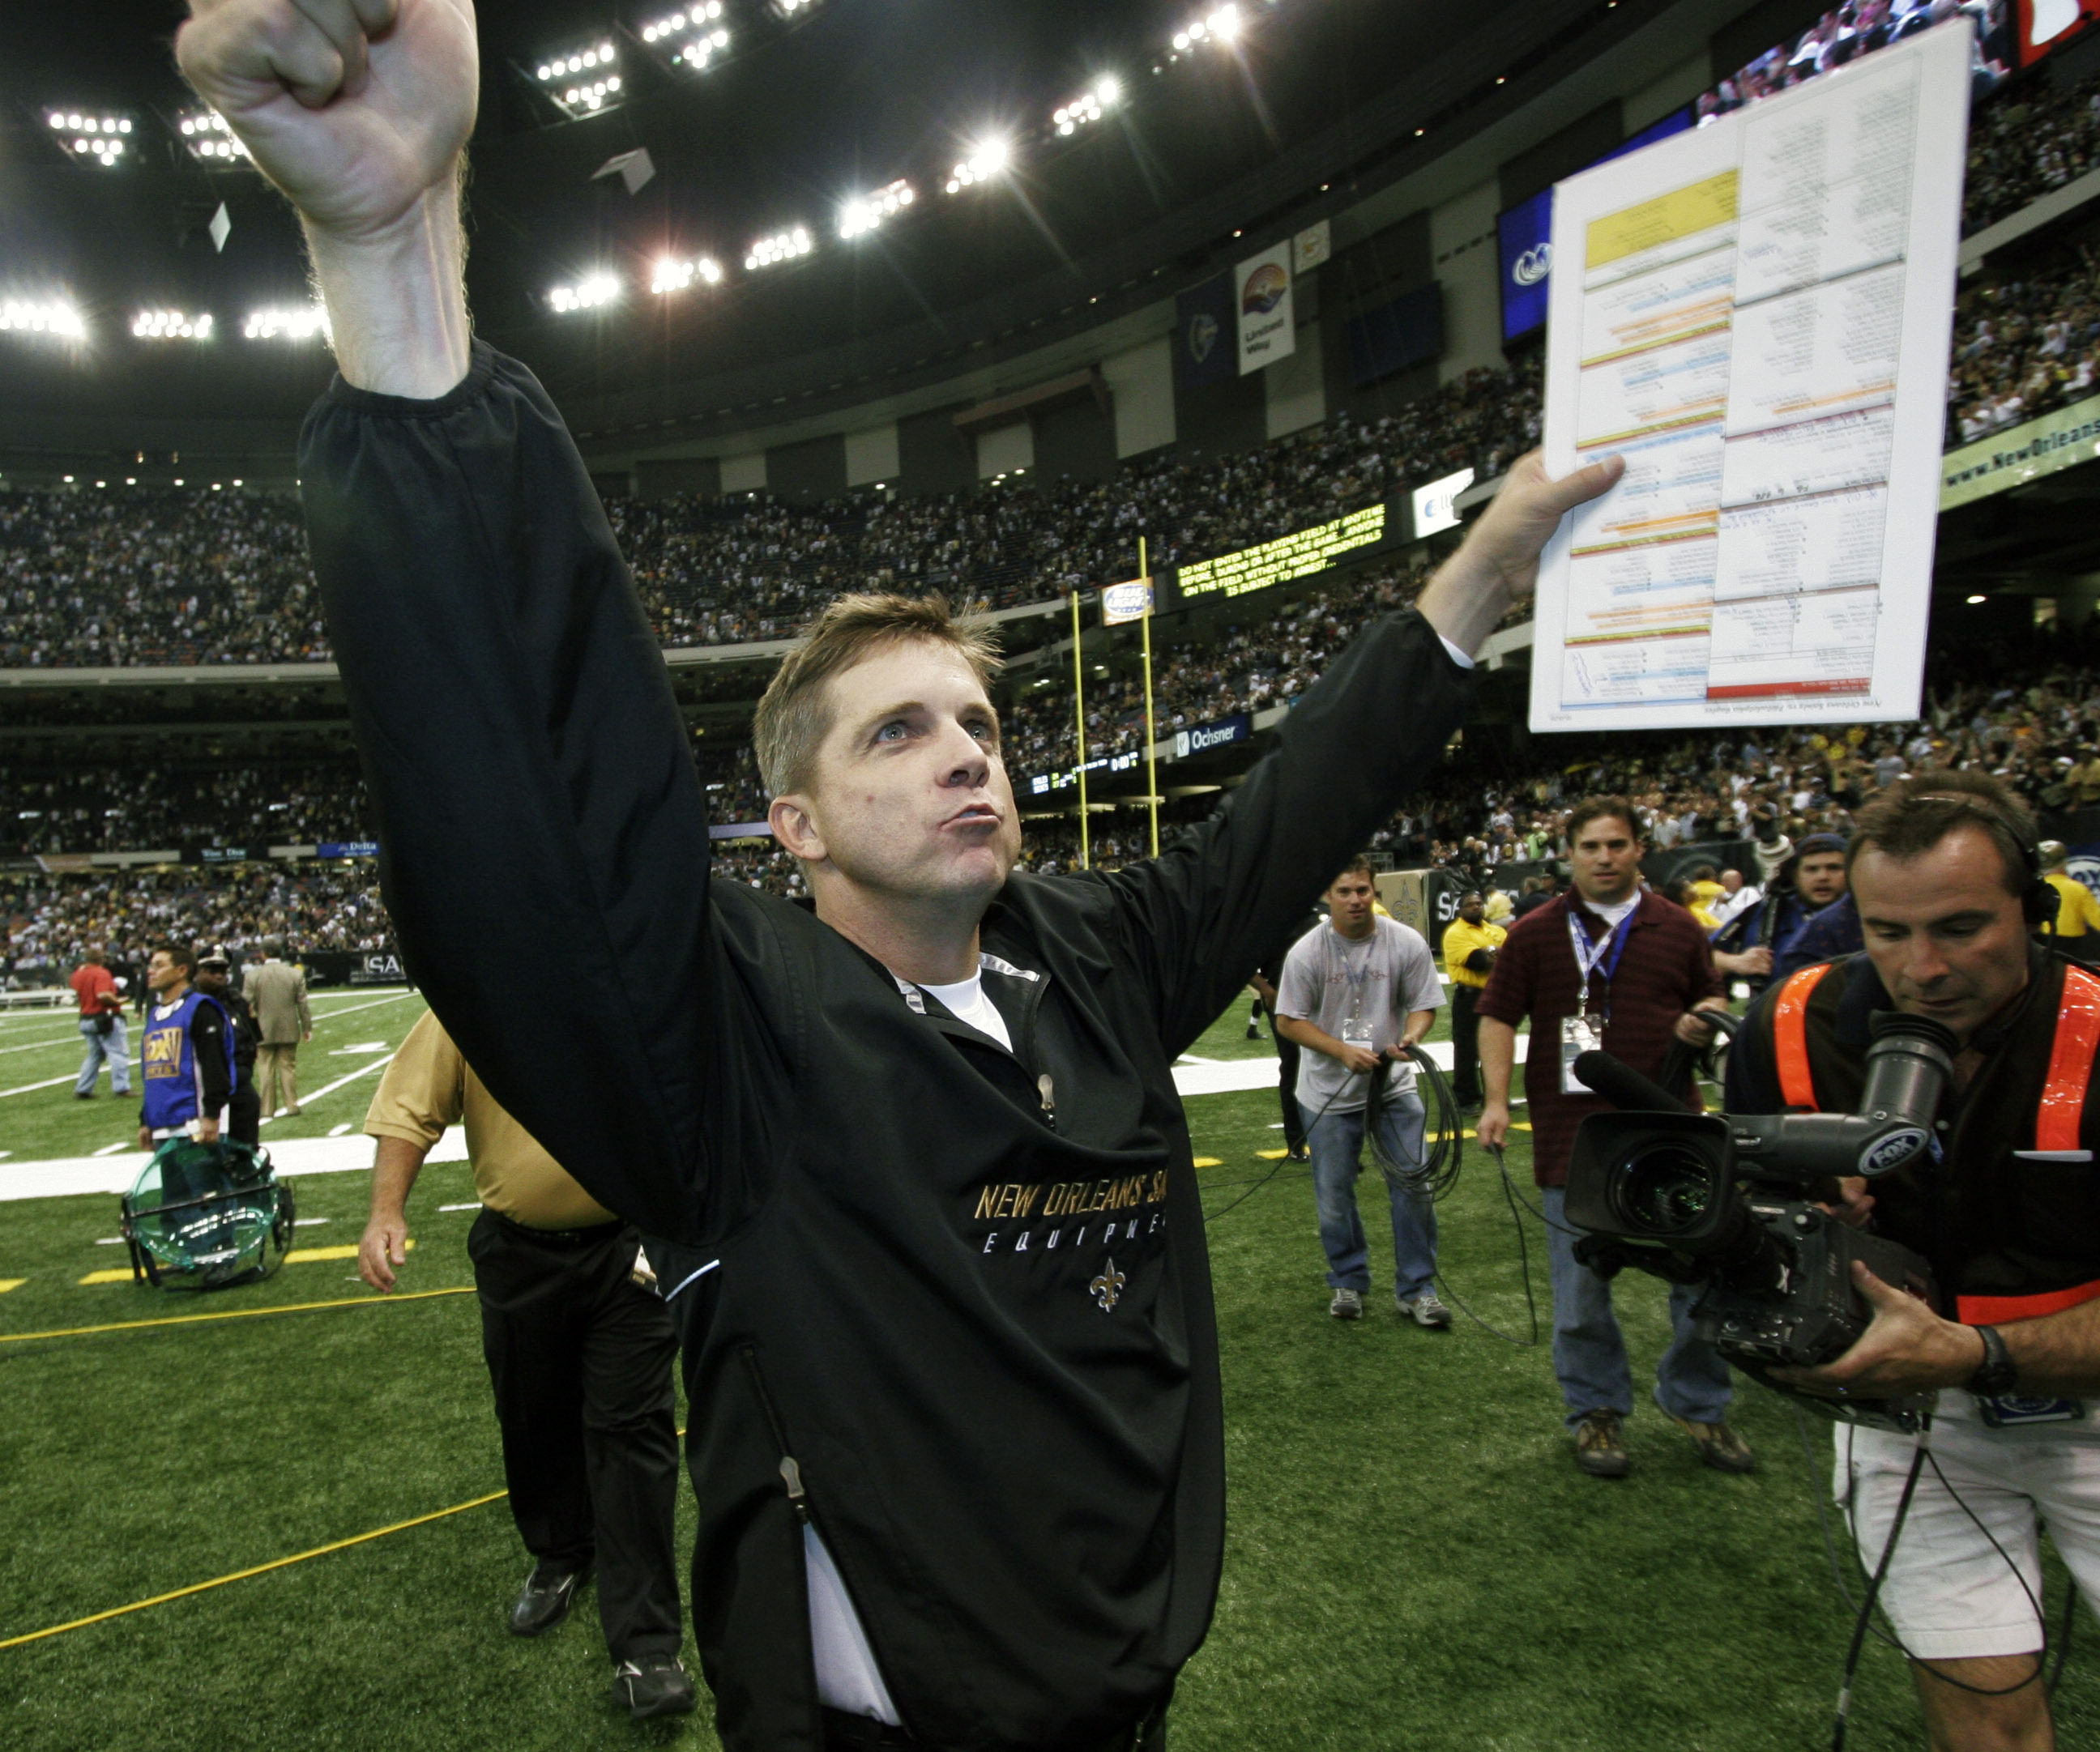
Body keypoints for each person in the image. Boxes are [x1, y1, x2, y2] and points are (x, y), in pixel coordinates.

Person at [180, 5, 1618, 1739]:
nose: (966, 752)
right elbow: (539, 817)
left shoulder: (1095, 951)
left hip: (1126, 1682)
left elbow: (1289, 817)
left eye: (976, 721)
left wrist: (1477, 584)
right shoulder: (729, 1045)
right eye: (896, 733)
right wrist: (391, 249)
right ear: (789, 826)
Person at [1727, 775, 2100, 1752]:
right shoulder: (1788, 1025)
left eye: (1962, 927)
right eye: (1886, 933)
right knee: (1983, 1721)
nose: (1920, 969)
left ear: (2039, 908)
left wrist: (1972, 1354)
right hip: (1910, 1418)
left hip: (2084, 1401)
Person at [360, 1012, 695, 1720]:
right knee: (530, 1412)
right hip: (519, 1248)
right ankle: (562, 1551)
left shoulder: (632, 980)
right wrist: (385, 1210)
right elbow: (411, 1104)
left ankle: (649, 1645)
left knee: (631, 1430)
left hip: (629, 1245)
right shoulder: (472, 992)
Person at [1475, 799, 1749, 1477]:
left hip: (1670, 1131)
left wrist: (1701, 1019)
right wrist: (1494, 1100)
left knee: (1703, 1281)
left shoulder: (1680, 927)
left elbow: (1713, 997)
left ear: (1639, 850)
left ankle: (1697, 1402)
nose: (1604, 857)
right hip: (1575, 1137)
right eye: (1590, 846)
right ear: (1569, 853)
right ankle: (1596, 1411)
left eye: (1616, 844)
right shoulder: (1535, 933)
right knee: (1580, 1294)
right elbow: (1497, 1016)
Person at [1275, 859, 1450, 1326]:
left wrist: (1411, 1037)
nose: (1355, 899)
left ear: (1376, 892)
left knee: (1415, 1186)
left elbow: (1424, 1005)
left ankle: (1417, 1288)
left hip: (1392, 1089)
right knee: (1334, 1197)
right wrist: (1340, 1051)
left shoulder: (1405, 942)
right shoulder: (1307, 953)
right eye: (1345, 891)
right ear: (1328, 896)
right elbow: (1288, 1021)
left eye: (1363, 890)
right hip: (1327, 1093)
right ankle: (1348, 1280)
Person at [1710, 831, 1849, 990]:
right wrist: (1735, 962)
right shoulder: (1768, 913)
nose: (1822, 877)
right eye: (1811, 869)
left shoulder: (1869, 914)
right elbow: (1703, 957)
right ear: (1795, 875)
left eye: (1834, 868)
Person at [135, 944, 233, 1150]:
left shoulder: (201, 1009)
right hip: (163, 1124)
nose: (150, 971)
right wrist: (145, 1119)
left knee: (205, 1182)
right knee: (173, 1184)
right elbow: (152, 1075)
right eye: (151, 965)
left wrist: (212, 1115)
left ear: (182, 971)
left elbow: (215, 1066)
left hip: (194, 1124)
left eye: (159, 965)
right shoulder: (155, 1016)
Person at [1248, 909, 1321, 1162]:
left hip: (1321, 997)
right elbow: (1240, 961)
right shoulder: (1268, 917)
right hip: (1285, 1001)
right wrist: (1267, 991)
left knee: (1330, 1062)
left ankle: (1332, 1135)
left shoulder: (1317, 912)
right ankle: (1297, 1141)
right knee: (1294, 1066)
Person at [1441, 889, 1505, 1110]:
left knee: (1496, 1046)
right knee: (1467, 1049)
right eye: (1471, 904)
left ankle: (1495, 1096)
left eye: (1479, 903)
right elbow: (1477, 961)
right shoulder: (1455, 932)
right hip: (1470, 997)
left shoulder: (1493, 930)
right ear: (1460, 909)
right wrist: (1495, 954)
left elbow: (1513, 956)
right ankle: (1466, 1098)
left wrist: (1493, 953)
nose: (1476, 907)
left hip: (1495, 993)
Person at [194, 948, 262, 1147]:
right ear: (198, 972)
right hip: (203, 1088)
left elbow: (252, 1039)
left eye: (223, 971)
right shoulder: (190, 1006)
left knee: (246, 1146)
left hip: (239, 1083)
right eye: (212, 970)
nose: (219, 976)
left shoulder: (236, 1001)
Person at [243, 935, 312, 1118]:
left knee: (265, 1068)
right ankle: (292, 1105)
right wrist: (307, 1027)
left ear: (262, 954)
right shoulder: (294, 974)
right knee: (288, 1067)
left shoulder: (253, 976)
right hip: (288, 1027)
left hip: (261, 1029)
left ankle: (267, 1109)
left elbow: (245, 1004)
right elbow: (303, 1004)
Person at [70, 946, 131, 1102]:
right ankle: (121, 1087)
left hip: (85, 1017)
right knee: (118, 1053)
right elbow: (102, 994)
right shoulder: (101, 973)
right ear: (101, 959)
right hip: (104, 1017)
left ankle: (83, 1088)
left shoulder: (78, 974)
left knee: (95, 1055)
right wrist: (118, 1000)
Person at [2040, 840, 2100, 961]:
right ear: (2064, 862)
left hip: (2043, 943)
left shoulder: (2038, 888)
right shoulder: (2078, 889)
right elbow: (2097, 919)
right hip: (2074, 946)